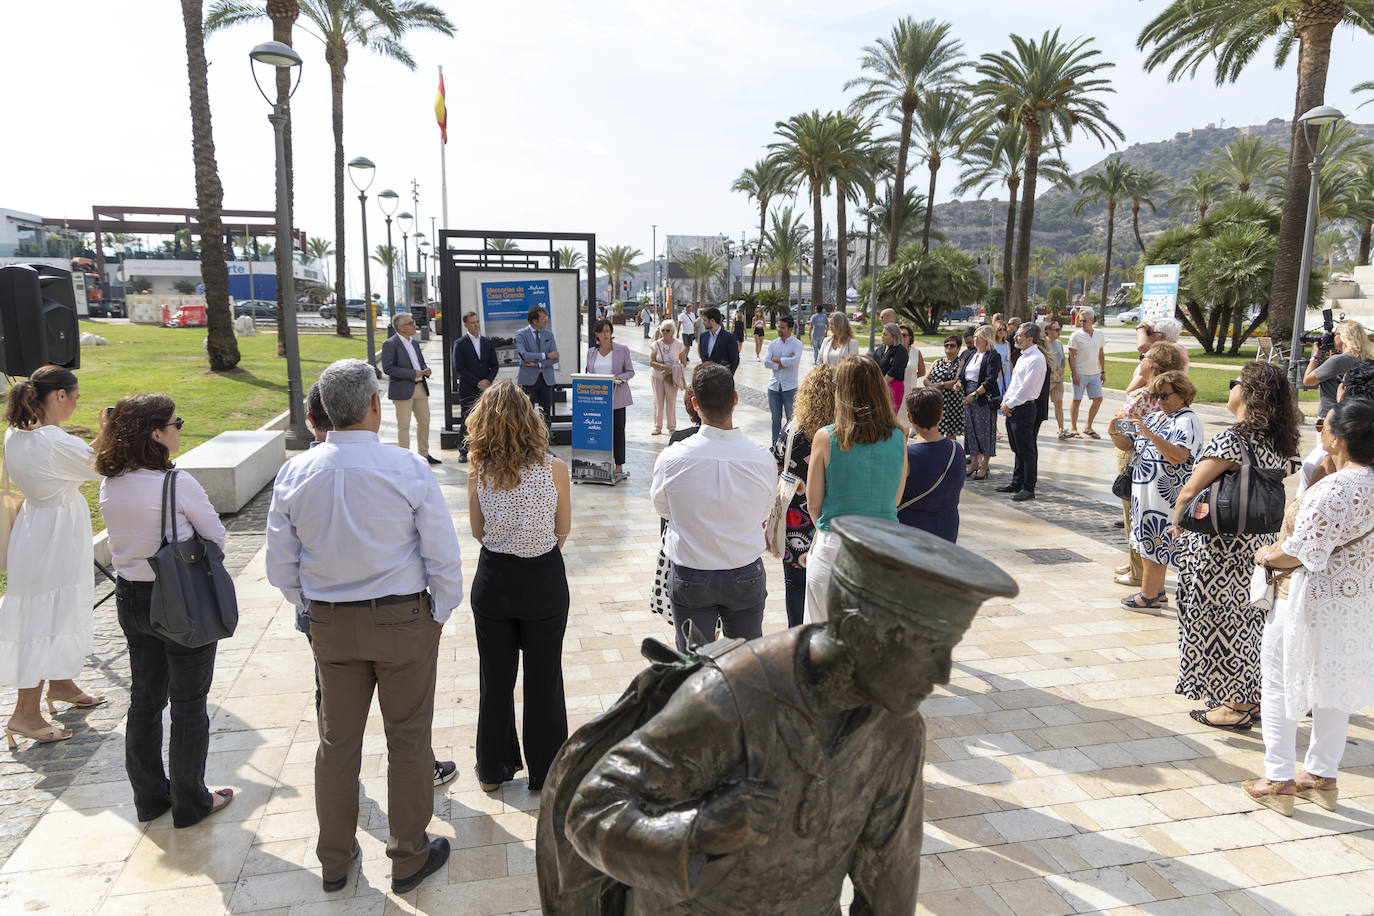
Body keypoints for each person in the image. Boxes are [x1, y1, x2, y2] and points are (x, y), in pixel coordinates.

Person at [553, 518, 1010, 916]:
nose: (944, 673)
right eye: (930, 649)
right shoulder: (729, 698)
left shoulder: (897, 730)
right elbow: (591, 812)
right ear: (856, 632)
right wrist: (696, 830)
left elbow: (889, 873)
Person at [266, 359, 462, 895]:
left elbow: (280, 566)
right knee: (408, 740)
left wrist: (310, 607)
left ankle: (334, 858)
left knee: (337, 742)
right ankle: (408, 856)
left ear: (325, 411)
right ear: (376, 405)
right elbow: (442, 554)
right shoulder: (406, 467)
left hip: (332, 622)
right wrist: (439, 613)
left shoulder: (296, 472)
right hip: (402, 620)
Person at [96, 394, 234, 825]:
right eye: (176, 423)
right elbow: (216, 536)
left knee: (145, 701)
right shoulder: (177, 483)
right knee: (188, 702)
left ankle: (151, 798)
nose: (179, 429)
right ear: (156, 433)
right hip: (179, 597)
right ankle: (191, 802)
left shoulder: (110, 482)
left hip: (130, 597)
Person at [1242, 396, 1374, 815]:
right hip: (1355, 601)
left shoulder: (1336, 489)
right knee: (1332, 685)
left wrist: (1265, 556)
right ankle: (1321, 774)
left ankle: (1278, 778)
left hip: (1306, 600)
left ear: (1340, 438)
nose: (1320, 431)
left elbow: (1300, 552)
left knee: (1278, 683)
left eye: (1323, 425)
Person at [1171, 362, 1301, 730]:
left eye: (1236, 382)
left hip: (1220, 548)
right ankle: (1250, 696)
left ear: (1248, 393)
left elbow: (1189, 491)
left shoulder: (1231, 440)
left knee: (1218, 621)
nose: (1231, 388)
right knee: (1248, 622)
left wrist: (1177, 524)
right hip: (1258, 545)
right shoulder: (1280, 441)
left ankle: (1234, 705)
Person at [464, 379, 572, 794]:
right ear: (531, 420)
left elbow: (478, 531)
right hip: (542, 577)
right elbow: (563, 529)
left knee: (495, 680)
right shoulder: (555, 468)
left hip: (495, 579)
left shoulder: (479, 470)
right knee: (545, 680)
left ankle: (492, 770)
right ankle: (546, 772)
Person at [0, 367, 106, 749]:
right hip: (54, 535)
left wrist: (98, 440)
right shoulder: (53, 440)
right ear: (60, 395)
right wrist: (108, 432)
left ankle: (61, 683)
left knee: (51, 611)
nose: (76, 404)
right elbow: (99, 467)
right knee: (43, 619)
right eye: (75, 397)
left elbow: (76, 462)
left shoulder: (17, 433)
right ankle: (25, 714)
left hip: (36, 530)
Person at [651, 364, 776, 652]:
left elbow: (663, 508)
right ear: (736, 399)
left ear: (695, 404)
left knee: (694, 665)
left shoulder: (672, 458)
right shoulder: (761, 459)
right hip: (744, 570)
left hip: (692, 571)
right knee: (744, 663)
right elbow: (765, 508)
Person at [803, 356, 908, 623]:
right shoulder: (899, 436)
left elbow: (813, 504)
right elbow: (895, 498)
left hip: (835, 546)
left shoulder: (826, 437)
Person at [1108, 370, 1204, 610]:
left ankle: (1148, 596)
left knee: (1156, 543)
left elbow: (1180, 456)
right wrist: (1114, 433)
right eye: (1156, 395)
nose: (1159, 400)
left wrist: (1149, 434)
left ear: (1182, 394)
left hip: (1165, 496)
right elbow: (1129, 444)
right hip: (1146, 494)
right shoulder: (1155, 417)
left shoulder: (1187, 420)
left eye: (1165, 395)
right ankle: (1157, 592)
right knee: (1147, 541)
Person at [1108, 342, 1187, 588]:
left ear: (1153, 364)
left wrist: (1119, 427)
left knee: (1132, 514)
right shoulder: (1165, 392)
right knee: (1137, 514)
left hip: (1134, 453)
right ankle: (1136, 564)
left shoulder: (1146, 394)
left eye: (1144, 357)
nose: (1140, 360)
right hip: (1151, 456)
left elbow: (1121, 422)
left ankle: (1138, 571)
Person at [771, 365, 836, 628]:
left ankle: (796, 635)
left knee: (795, 583)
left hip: (796, 518)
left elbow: (776, 463)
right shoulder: (840, 433)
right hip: (830, 517)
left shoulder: (793, 428)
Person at [898, 387, 965, 542]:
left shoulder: (907, 456)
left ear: (909, 418)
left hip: (912, 531)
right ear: (941, 415)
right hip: (947, 528)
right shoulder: (957, 450)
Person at [997, 321, 1049, 501]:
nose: (1015, 338)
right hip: (1013, 407)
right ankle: (1016, 482)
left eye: (1019, 335)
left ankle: (1028, 487)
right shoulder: (1022, 356)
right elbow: (1014, 384)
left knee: (1027, 450)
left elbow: (1026, 389)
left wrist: (1009, 404)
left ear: (1030, 339)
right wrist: (1005, 402)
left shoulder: (1036, 359)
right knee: (1017, 448)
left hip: (1024, 407)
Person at [379, 313, 439, 465]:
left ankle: (424, 455)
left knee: (424, 421)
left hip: (420, 388)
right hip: (402, 389)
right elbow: (388, 368)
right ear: (401, 328)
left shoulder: (414, 343)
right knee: (404, 425)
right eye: (410, 323)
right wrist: (412, 373)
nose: (414, 325)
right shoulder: (390, 344)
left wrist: (425, 369)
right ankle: (404, 458)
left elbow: (420, 362)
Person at [585, 319, 635, 480]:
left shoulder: (622, 350)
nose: (606, 334)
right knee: (599, 431)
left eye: (608, 331)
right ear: (597, 334)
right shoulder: (591, 352)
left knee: (618, 431)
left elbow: (630, 371)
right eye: (602, 331)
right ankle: (599, 464)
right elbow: (588, 372)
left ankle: (618, 467)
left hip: (616, 397)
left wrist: (618, 378)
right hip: (597, 399)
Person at [1303, 318, 1374, 421]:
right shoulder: (1366, 359)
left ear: (1344, 336)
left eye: (1335, 334)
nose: (1333, 338)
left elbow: (1307, 381)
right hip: (1355, 415)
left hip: (1330, 416)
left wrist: (1315, 355)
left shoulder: (1338, 360)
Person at [452, 311, 499, 464]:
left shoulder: (487, 342)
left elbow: (494, 365)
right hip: (468, 388)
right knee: (467, 419)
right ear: (466, 325)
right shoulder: (460, 343)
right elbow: (459, 367)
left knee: (488, 419)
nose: (476, 325)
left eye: (477, 321)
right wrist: (477, 382)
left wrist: (488, 380)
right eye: (472, 322)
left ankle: (487, 451)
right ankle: (463, 451)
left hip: (486, 390)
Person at [959, 325, 1003, 481]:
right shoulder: (972, 354)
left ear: (987, 339)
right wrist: (959, 382)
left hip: (983, 397)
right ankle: (973, 462)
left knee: (984, 430)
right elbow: (964, 374)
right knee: (971, 430)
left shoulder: (993, 356)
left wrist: (976, 394)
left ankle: (984, 465)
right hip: (968, 395)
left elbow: (991, 379)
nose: (975, 340)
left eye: (979, 337)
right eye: (975, 337)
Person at [515, 306, 560, 431]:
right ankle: (527, 440)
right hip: (528, 381)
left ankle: (546, 440)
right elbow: (524, 355)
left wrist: (537, 364)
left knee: (546, 415)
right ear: (534, 321)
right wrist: (545, 356)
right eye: (543, 318)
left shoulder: (549, 334)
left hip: (546, 380)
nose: (546, 320)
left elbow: (555, 358)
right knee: (526, 414)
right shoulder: (521, 334)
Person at [763, 316, 804, 444]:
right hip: (774, 387)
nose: (779, 330)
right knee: (775, 419)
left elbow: (794, 362)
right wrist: (781, 364)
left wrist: (777, 359)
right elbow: (766, 362)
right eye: (779, 327)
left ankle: (789, 446)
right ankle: (774, 445)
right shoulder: (773, 344)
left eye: (782, 327)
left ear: (790, 329)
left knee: (791, 420)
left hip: (790, 388)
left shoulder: (797, 344)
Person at [1067, 308, 1106, 439]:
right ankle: (1073, 428)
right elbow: (1071, 356)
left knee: (1098, 399)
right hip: (1080, 373)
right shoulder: (1075, 336)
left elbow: (1101, 354)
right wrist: (1074, 374)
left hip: (1095, 374)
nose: (1082, 323)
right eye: (1080, 321)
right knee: (1076, 400)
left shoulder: (1099, 334)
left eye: (1084, 320)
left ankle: (1088, 427)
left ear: (1091, 320)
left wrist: (1103, 371)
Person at [1125, 318, 1191, 393]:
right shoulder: (1175, 348)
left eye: (1148, 333)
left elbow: (1142, 346)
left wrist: (1140, 328)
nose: (1145, 336)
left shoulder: (1169, 350)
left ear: (1161, 336)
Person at [923, 335, 966, 441]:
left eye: (952, 345)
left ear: (958, 348)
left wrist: (938, 385)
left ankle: (952, 451)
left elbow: (956, 380)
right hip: (936, 402)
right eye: (946, 345)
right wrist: (930, 385)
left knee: (950, 435)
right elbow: (926, 379)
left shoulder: (960, 363)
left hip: (952, 404)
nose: (949, 347)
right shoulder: (937, 362)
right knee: (935, 432)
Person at [649, 319, 687, 436]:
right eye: (663, 330)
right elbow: (651, 362)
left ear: (673, 332)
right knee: (658, 402)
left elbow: (684, 362)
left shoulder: (678, 345)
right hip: (657, 377)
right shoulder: (656, 344)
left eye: (667, 330)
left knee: (671, 401)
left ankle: (671, 426)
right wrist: (663, 367)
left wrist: (675, 369)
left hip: (671, 377)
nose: (665, 332)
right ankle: (657, 426)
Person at [875, 323, 909, 412]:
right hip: (878, 385)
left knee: (888, 415)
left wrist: (880, 385)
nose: (882, 336)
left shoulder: (900, 351)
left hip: (893, 387)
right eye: (882, 334)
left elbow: (894, 371)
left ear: (894, 336)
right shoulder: (879, 350)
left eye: (885, 334)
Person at [697, 307, 740, 374]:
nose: (703, 323)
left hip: (722, 377)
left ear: (712, 321)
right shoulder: (703, 337)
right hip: (706, 377)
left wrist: (727, 376)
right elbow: (703, 357)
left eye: (705, 320)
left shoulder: (729, 337)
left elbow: (735, 360)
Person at [1046, 321, 1068, 438]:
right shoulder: (1044, 344)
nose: (1059, 332)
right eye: (1056, 330)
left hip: (1058, 380)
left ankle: (1061, 429)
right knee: (1040, 406)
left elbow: (1063, 359)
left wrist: (1062, 369)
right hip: (1047, 381)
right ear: (1048, 331)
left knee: (1059, 404)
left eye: (1060, 329)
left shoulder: (1059, 343)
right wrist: (1052, 372)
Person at [898, 325, 926, 409]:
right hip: (895, 393)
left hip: (909, 393)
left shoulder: (916, 352)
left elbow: (922, 372)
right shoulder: (892, 351)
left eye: (904, 335)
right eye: (899, 335)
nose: (901, 337)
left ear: (910, 337)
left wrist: (910, 376)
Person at [992, 322, 1012, 394]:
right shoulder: (992, 344)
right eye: (1000, 329)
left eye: (1004, 329)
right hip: (997, 371)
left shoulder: (1007, 344)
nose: (1002, 331)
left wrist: (1013, 373)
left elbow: (1009, 359)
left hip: (1006, 370)